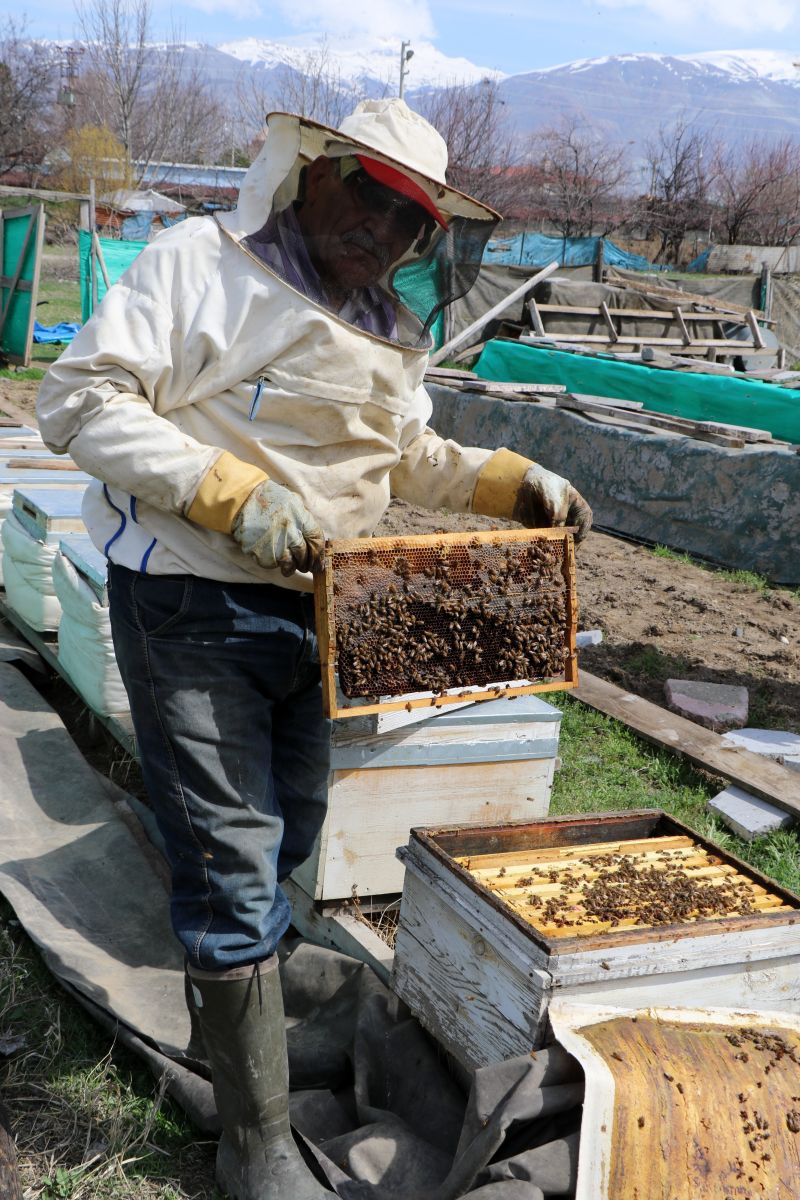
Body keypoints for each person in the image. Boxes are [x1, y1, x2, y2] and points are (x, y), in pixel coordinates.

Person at [37, 99, 592, 1200]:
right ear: (315, 171)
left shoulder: (382, 320)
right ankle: (252, 1141)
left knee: (292, 822)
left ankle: (246, 1015)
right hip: (191, 598)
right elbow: (79, 398)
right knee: (232, 861)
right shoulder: (201, 262)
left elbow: (400, 450)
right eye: (373, 198)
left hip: (323, 611)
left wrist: (504, 481)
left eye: (414, 222)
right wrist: (224, 491)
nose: (386, 231)